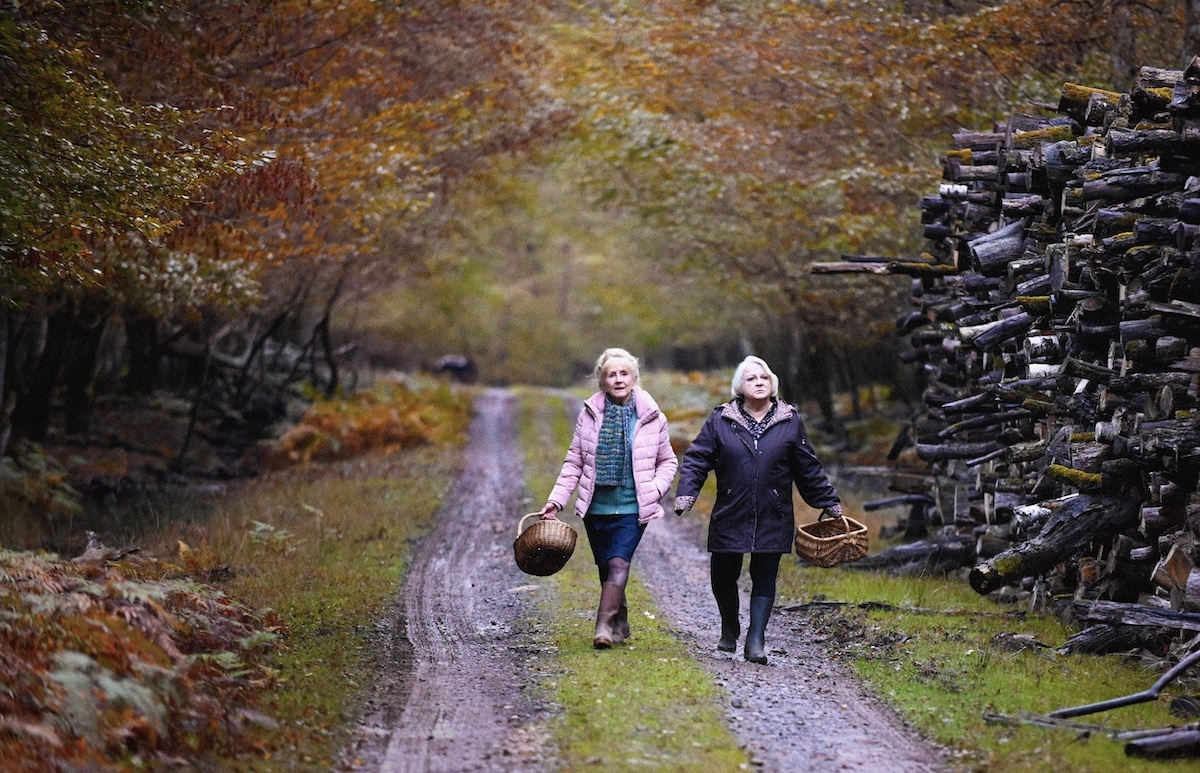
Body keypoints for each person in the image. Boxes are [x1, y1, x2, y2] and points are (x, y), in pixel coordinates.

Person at [673, 355, 842, 664]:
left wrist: (828, 501)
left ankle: (756, 639)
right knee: (724, 574)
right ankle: (729, 625)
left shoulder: (789, 420)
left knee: (765, 574)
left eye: (764, 377)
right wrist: (687, 493)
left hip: (773, 510)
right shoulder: (721, 419)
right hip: (731, 508)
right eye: (752, 378)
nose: (759, 382)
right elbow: (698, 458)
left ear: (773, 383)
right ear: (740, 386)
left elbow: (807, 467)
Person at [539, 348, 679, 649]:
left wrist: (654, 490)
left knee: (619, 563)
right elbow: (574, 461)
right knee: (606, 566)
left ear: (634, 378)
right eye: (611, 374)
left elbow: (668, 461)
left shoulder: (652, 416)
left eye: (624, 373)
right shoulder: (589, 415)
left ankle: (602, 625)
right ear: (602, 381)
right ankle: (620, 620)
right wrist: (556, 500)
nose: (618, 379)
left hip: (632, 506)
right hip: (596, 507)